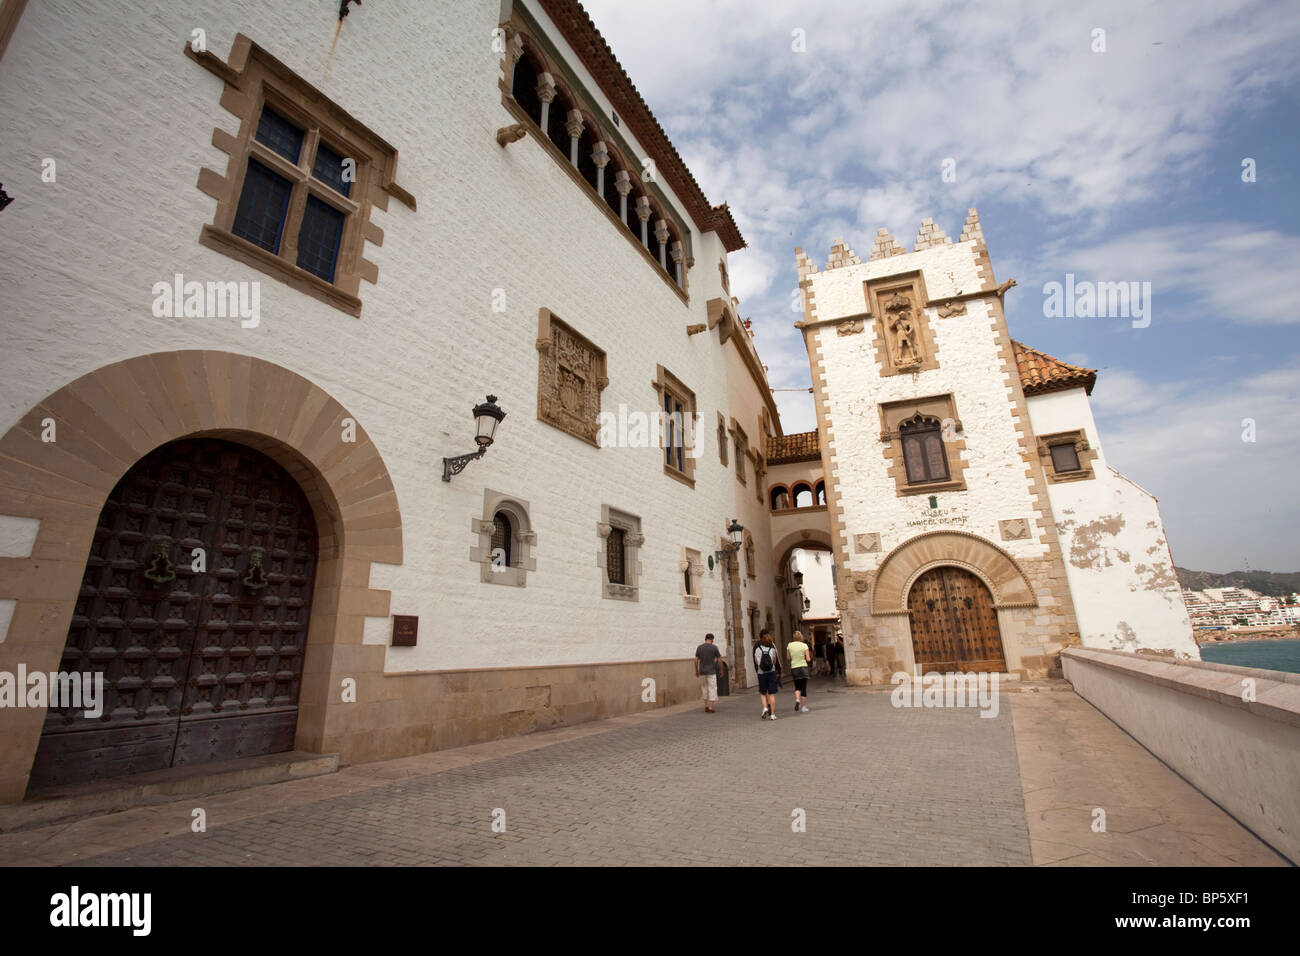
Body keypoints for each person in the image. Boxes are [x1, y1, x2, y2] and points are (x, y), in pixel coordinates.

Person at [753, 629, 781, 720]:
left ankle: (765, 707)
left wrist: (758, 669)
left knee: (762, 692)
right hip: (771, 672)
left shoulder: (757, 648)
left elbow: (757, 662)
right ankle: (772, 714)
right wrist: (778, 671)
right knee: (771, 693)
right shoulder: (772, 648)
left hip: (761, 673)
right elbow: (775, 661)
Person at [694, 633, 723, 714]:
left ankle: (706, 705)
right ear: (712, 639)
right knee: (712, 688)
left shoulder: (699, 647)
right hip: (711, 671)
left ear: (705, 639)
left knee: (704, 688)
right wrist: (721, 670)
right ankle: (710, 707)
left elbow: (696, 660)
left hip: (702, 671)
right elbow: (719, 660)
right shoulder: (714, 647)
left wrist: (696, 671)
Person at [787, 630, 811, 712]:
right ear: (801, 637)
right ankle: (803, 707)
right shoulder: (804, 645)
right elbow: (808, 659)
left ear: (794, 637)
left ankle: (797, 700)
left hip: (794, 667)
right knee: (804, 687)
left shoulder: (790, 645)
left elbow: (788, 657)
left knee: (797, 686)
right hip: (803, 667)